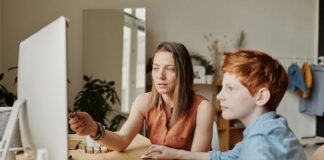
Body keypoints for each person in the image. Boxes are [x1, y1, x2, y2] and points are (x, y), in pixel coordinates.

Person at [142, 50, 307, 160]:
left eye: (230, 89)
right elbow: (229, 156)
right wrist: (176, 153)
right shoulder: (272, 126)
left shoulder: (259, 144)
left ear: (261, 96)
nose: (220, 96)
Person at [69, 41, 215, 152]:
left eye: (170, 69)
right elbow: (122, 141)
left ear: (184, 73)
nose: (160, 76)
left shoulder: (203, 108)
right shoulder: (143, 102)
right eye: (156, 68)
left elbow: (197, 158)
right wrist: (94, 128)